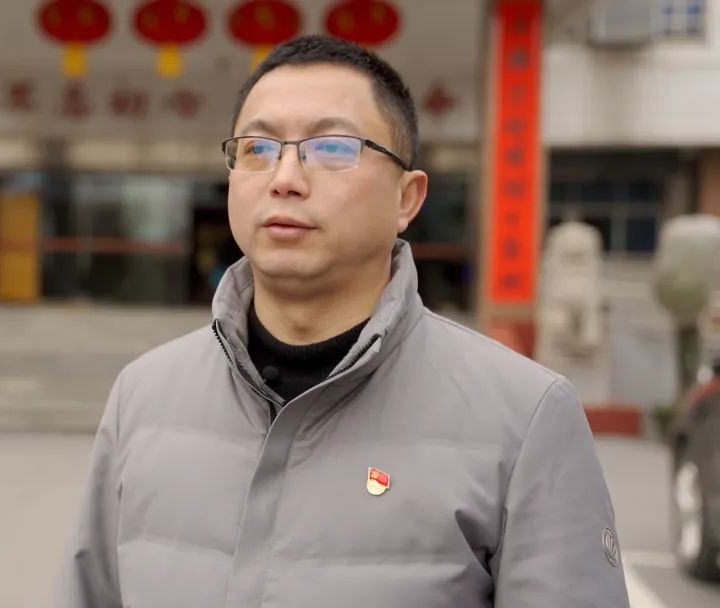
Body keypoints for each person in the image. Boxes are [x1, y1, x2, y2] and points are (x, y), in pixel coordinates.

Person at [54, 35, 629, 607]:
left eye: (331, 147)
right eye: (258, 147)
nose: (284, 177)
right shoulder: (144, 397)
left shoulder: (524, 418)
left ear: (407, 198)